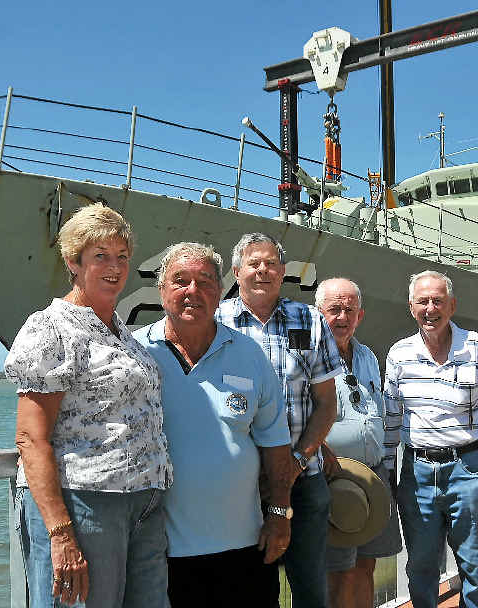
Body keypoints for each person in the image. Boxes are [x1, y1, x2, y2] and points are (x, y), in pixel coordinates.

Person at [4, 203, 171, 608]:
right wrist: (61, 533)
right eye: (100, 257)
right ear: (73, 262)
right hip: (86, 501)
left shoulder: (123, 334)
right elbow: (30, 437)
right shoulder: (51, 327)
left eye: (122, 257)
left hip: (144, 502)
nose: (114, 267)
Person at [132, 242, 296, 607]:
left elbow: (276, 445)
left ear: (220, 293)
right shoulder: (134, 352)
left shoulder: (250, 356)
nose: (193, 292)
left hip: (246, 546)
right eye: (181, 281)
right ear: (162, 290)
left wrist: (280, 514)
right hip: (160, 549)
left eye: (205, 282)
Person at [215, 233, 343, 608]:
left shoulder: (310, 320)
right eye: (253, 263)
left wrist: (299, 460)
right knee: (251, 589)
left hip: (304, 479)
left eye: (271, 263)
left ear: (283, 271)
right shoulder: (215, 323)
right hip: (241, 484)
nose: (263, 270)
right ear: (236, 272)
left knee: (309, 588)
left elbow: (326, 404)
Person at [384, 271, 478, 608]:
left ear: (452, 305)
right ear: (411, 307)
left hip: (470, 467)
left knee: (475, 566)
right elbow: (390, 417)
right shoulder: (399, 354)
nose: (431, 308)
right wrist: (388, 469)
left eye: (438, 301)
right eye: (423, 301)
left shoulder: (477, 347)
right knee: (420, 566)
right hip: (417, 472)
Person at [315, 278, 402, 608]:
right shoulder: (306, 357)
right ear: (318, 313)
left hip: (372, 477)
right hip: (332, 479)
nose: (342, 317)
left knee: (366, 566)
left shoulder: (366, 356)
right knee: (333, 573)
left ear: (360, 316)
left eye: (349, 310)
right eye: (334, 309)